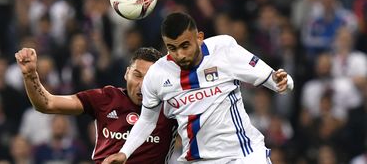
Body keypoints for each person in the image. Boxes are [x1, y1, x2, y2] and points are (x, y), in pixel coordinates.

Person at [103, 12, 294, 164]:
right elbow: (147, 121)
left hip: (243, 154)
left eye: (185, 46)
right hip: (198, 159)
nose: (179, 54)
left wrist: (284, 82)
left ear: (199, 37)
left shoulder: (224, 49)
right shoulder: (157, 74)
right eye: (172, 48)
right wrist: (124, 153)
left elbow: (277, 82)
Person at [15, 47, 177, 163]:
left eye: (150, 78)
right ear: (127, 73)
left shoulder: (171, 107)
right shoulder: (106, 98)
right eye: (137, 75)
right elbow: (47, 104)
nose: (142, 85)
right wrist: (30, 75)